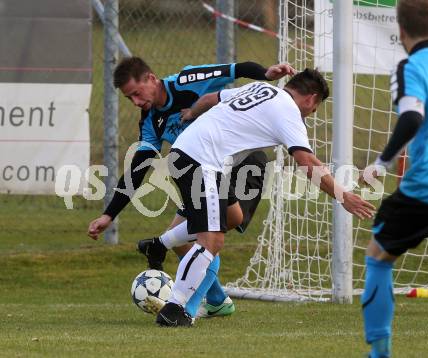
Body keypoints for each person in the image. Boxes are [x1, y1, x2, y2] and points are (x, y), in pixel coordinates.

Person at [155, 68, 375, 327]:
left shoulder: (261, 89)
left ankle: (160, 246)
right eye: (313, 109)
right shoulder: (288, 110)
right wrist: (343, 196)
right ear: (311, 99)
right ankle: (174, 308)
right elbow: (306, 162)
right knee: (211, 240)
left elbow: (212, 97)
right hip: (202, 161)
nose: (310, 114)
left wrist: (191, 113)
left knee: (228, 220)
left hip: (186, 152)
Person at [87, 56, 295, 318]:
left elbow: (236, 70)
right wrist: (109, 214)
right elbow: (139, 167)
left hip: (240, 164)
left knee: (211, 232)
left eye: (137, 93)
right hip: (200, 173)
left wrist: (266, 73)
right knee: (182, 239)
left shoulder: (188, 80)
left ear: (151, 79)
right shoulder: (151, 120)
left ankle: (187, 309)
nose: (137, 102)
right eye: (130, 99)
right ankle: (217, 300)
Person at [360, 1, 428, 357]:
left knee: (378, 256)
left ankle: (380, 353)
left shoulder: (410, 67)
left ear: (401, 30)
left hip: (426, 188)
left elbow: (411, 118)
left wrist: (380, 164)